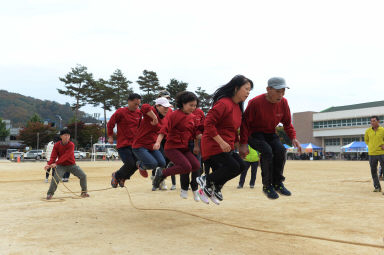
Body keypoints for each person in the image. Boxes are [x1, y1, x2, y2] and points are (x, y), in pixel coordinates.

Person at [239, 77, 301, 200]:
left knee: (281, 151)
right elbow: (244, 123)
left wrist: (293, 137)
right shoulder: (255, 102)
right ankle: (267, 186)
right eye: (278, 91)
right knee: (267, 152)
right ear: (268, 89)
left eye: (283, 91)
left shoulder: (284, 102)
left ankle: (277, 183)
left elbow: (287, 123)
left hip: (270, 133)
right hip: (254, 133)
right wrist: (243, 143)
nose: (281, 94)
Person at [196, 75, 253, 204]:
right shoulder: (223, 103)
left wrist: (239, 144)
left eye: (250, 90)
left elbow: (233, 129)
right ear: (236, 88)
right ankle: (205, 179)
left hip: (227, 145)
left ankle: (213, 187)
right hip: (214, 144)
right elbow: (208, 124)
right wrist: (221, 142)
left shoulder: (238, 107)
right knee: (232, 166)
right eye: (246, 89)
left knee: (241, 166)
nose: (248, 92)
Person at [152, 91, 202, 201]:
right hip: (172, 148)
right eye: (191, 105)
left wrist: (208, 138)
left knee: (196, 165)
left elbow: (195, 134)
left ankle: (186, 187)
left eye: (195, 105)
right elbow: (164, 129)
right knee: (186, 167)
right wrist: (158, 142)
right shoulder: (174, 115)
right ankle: (162, 173)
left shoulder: (193, 117)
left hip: (184, 148)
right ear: (183, 104)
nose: (193, 108)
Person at [132, 97, 171, 191]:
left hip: (152, 145)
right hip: (140, 145)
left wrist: (158, 143)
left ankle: (159, 181)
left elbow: (162, 132)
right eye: (164, 107)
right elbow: (144, 107)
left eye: (168, 107)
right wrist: (154, 117)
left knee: (162, 163)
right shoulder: (151, 111)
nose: (167, 109)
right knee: (152, 164)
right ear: (157, 106)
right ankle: (140, 165)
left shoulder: (165, 118)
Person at [109, 93, 144, 189]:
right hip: (123, 145)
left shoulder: (139, 113)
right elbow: (110, 123)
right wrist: (110, 136)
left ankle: (122, 177)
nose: (137, 106)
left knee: (138, 164)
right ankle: (116, 175)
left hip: (135, 144)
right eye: (135, 104)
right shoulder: (120, 112)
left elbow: (141, 127)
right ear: (129, 101)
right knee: (130, 164)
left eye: (138, 104)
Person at [44, 129, 89, 200]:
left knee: (83, 176)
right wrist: (48, 164)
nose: (67, 137)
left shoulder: (71, 145)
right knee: (55, 179)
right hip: (61, 166)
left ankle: (84, 192)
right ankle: (50, 194)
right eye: (65, 135)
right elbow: (53, 156)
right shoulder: (56, 145)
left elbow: (66, 156)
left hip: (72, 165)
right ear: (61, 136)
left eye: (68, 135)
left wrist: (56, 163)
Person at [156, 90, 176, 190]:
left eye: (168, 98)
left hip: (168, 138)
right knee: (162, 159)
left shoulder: (171, 111)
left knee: (167, 160)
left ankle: (159, 177)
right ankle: (160, 179)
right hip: (157, 138)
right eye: (165, 98)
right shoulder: (154, 110)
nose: (167, 100)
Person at [364, 116, 384, 192]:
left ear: (378, 121)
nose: (372, 122)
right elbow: (366, 140)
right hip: (372, 154)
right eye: (371, 121)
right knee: (373, 171)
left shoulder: (382, 130)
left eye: (374, 121)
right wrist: (372, 146)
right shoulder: (368, 131)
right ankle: (377, 187)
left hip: (382, 153)